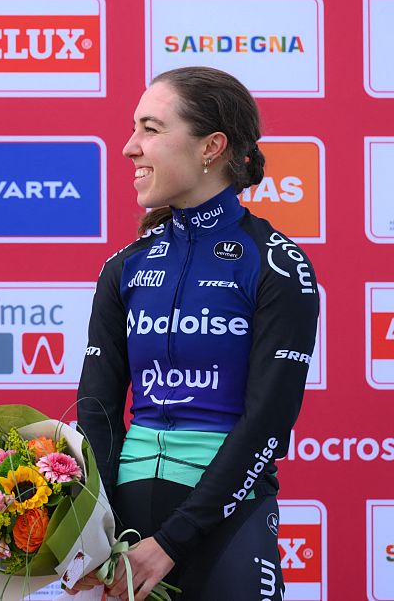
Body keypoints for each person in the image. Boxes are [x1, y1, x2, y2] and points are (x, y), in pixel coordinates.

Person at [71, 67, 319, 600]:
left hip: (225, 521)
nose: (129, 148)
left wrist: (171, 542)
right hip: (124, 525)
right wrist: (97, 531)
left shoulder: (277, 264)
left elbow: (267, 424)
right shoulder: (124, 268)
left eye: (151, 128)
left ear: (211, 146)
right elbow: (96, 409)